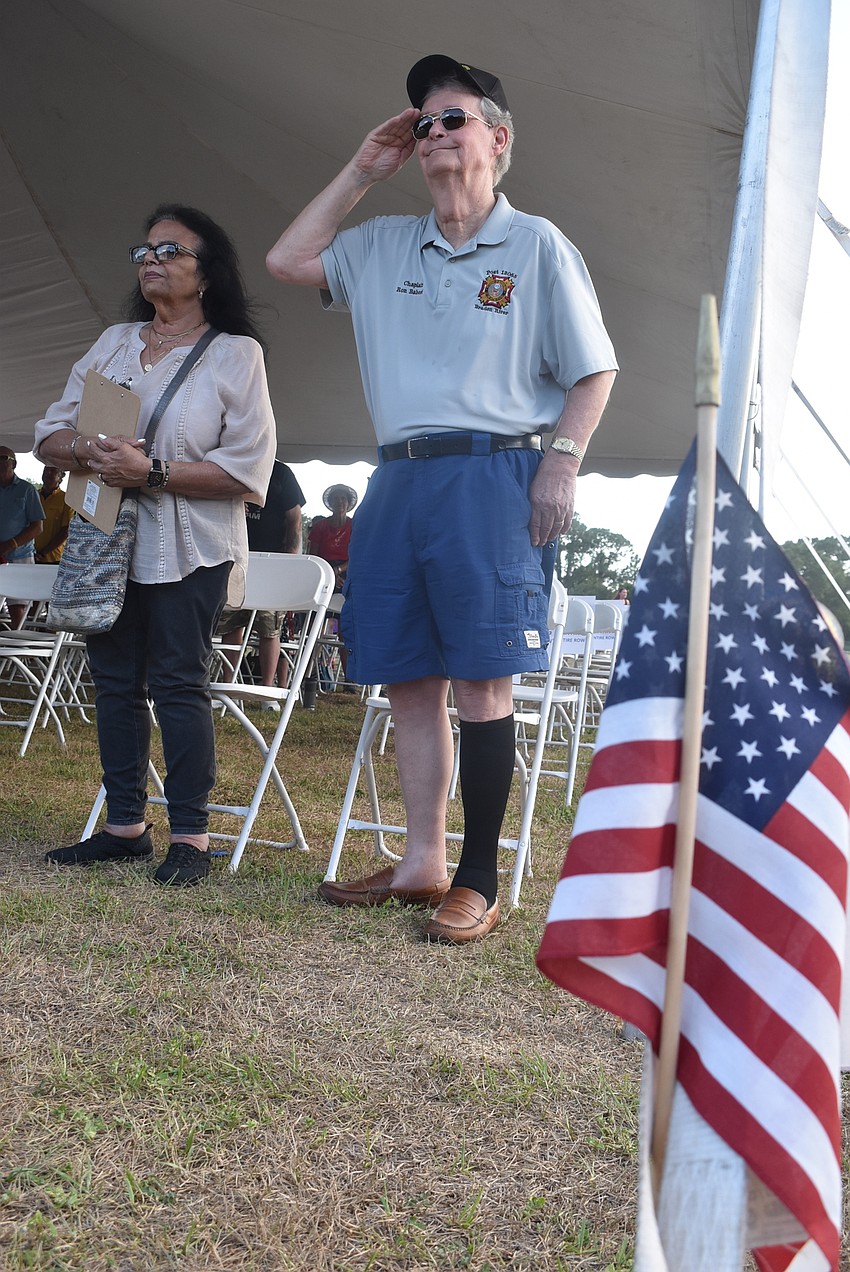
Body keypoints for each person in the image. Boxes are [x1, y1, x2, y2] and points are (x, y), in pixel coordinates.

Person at [267, 55, 617, 942]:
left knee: (480, 681)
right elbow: (287, 259)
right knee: (409, 680)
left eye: (452, 119)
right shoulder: (383, 242)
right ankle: (421, 863)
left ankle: (478, 877)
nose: (433, 134)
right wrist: (359, 170)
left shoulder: (537, 243)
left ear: (498, 139)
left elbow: (593, 369)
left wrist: (562, 464)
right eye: (422, 123)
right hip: (398, 475)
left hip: (494, 474)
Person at [35, 204, 277, 886]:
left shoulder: (236, 352)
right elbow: (48, 433)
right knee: (113, 685)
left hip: (192, 546)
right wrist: (85, 448)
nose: (151, 260)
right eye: (145, 250)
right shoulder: (114, 341)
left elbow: (247, 468)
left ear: (206, 275)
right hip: (107, 539)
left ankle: (192, 838)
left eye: (170, 251)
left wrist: (154, 472)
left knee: (177, 684)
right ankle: (124, 828)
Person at [218, 459, 305, 701]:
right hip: (235, 556)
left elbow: (295, 518)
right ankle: (229, 686)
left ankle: (267, 691)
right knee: (231, 623)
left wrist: (290, 560)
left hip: (271, 561)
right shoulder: (234, 464)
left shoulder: (282, 473)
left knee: (269, 627)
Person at [308, 482, 358, 687]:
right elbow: (313, 555)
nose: (339, 502)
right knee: (315, 626)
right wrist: (328, 572)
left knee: (345, 628)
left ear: (348, 503)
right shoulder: (320, 527)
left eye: (343, 499)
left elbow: (358, 554)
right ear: (330, 503)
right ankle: (308, 675)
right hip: (323, 573)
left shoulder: (355, 525)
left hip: (348, 574)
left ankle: (349, 679)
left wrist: (338, 571)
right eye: (336, 499)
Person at [0, 446, 45, 628]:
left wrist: (10, 544)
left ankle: (21, 651)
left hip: (20, 555)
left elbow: (37, 527)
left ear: (14, 464)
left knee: (17, 606)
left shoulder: (27, 490)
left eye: (4, 459)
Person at [34, 466, 73, 563]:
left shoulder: (67, 499)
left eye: (53, 471)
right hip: (30, 555)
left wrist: (43, 552)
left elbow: (66, 531)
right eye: (46, 470)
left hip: (53, 558)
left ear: (60, 477)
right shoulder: (34, 496)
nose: (48, 473)